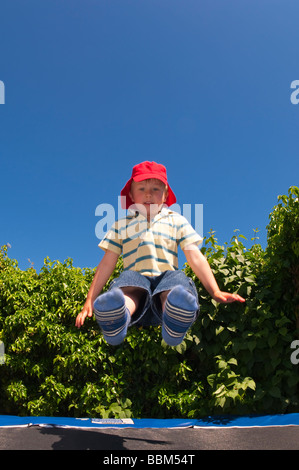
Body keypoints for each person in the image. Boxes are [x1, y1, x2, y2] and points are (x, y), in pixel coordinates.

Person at [75, 161, 245, 346]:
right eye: (141, 188)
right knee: (128, 285)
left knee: (175, 284)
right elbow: (107, 263)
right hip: (136, 283)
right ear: (131, 195)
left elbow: (194, 256)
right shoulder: (121, 224)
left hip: (166, 280)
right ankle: (118, 318)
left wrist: (215, 290)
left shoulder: (176, 219)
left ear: (165, 196)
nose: (148, 193)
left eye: (156, 189)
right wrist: (90, 300)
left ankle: (173, 320)